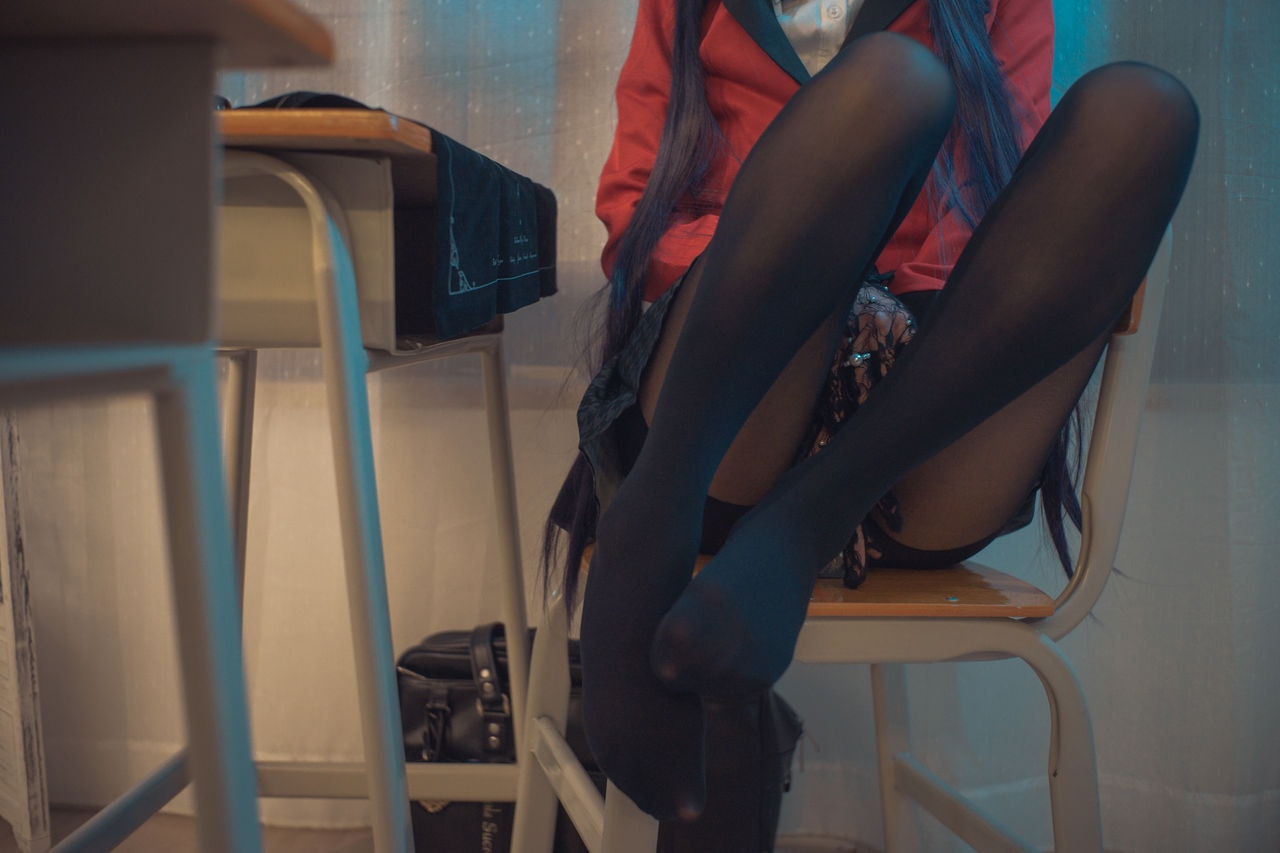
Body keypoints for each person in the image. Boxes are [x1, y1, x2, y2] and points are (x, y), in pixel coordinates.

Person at [542, 0, 1199, 823]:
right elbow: (638, 206)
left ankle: (805, 518)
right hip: (724, 406)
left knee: (1146, 113)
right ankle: (652, 523)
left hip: (907, 418)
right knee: (895, 82)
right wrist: (808, 264)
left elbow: (990, 214)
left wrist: (879, 318)